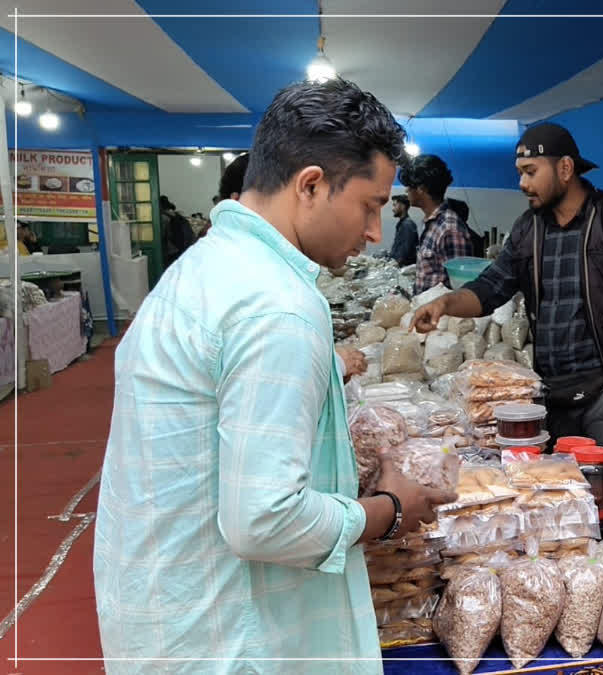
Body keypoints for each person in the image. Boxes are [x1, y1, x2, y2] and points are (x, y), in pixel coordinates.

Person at [94, 79, 456, 675]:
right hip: (230, 640)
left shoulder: (208, 266)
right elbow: (266, 521)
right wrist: (390, 508)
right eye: (368, 206)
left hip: (172, 617)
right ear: (310, 185)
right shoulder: (276, 305)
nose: (374, 232)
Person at [412, 122, 603, 518]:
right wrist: (446, 303)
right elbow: (491, 288)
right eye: (520, 173)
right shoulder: (528, 230)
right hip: (555, 395)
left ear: (565, 168)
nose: (522, 183)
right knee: (561, 507)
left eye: (530, 172)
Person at [217, 148, 364, 380]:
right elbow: (264, 371)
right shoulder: (238, 265)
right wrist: (335, 364)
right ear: (238, 201)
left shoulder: (248, 257)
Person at [400, 154, 473, 294]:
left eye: (409, 186)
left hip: (438, 308)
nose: (406, 191)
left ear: (421, 189)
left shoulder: (449, 229)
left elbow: (459, 290)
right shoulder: (432, 223)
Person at [386, 193, 418, 266]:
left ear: (403, 206)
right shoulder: (402, 224)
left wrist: (393, 265)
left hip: (404, 268)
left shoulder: (407, 225)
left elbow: (405, 252)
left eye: (395, 205)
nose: (393, 209)